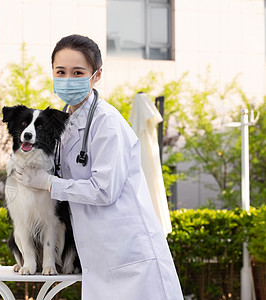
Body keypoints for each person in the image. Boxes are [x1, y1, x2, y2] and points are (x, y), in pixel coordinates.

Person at [15, 34, 183, 299]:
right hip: (98, 260)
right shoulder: (64, 123)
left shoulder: (107, 122)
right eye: (61, 71)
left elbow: (104, 190)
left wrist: (48, 183)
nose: (68, 79)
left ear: (97, 75)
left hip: (132, 258)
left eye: (77, 72)